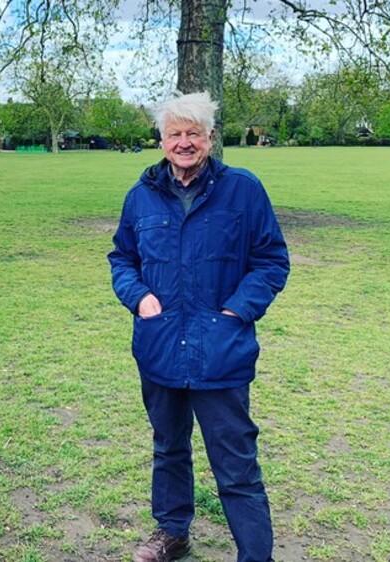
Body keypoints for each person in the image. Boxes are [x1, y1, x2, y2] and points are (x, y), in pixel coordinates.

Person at [108, 91, 289, 562]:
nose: (184, 142)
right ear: (161, 140)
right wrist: (139, 296)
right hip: (160, 347)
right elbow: (122, 258)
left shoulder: (243, 191)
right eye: (175, 133)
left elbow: (271, 261)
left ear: (210, 138)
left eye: (194, 133)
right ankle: (172, 532)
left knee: (236, 465)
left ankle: (255, 554)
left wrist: (235, 312)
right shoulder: (141, 197)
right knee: (169, 448)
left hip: (221, 350)